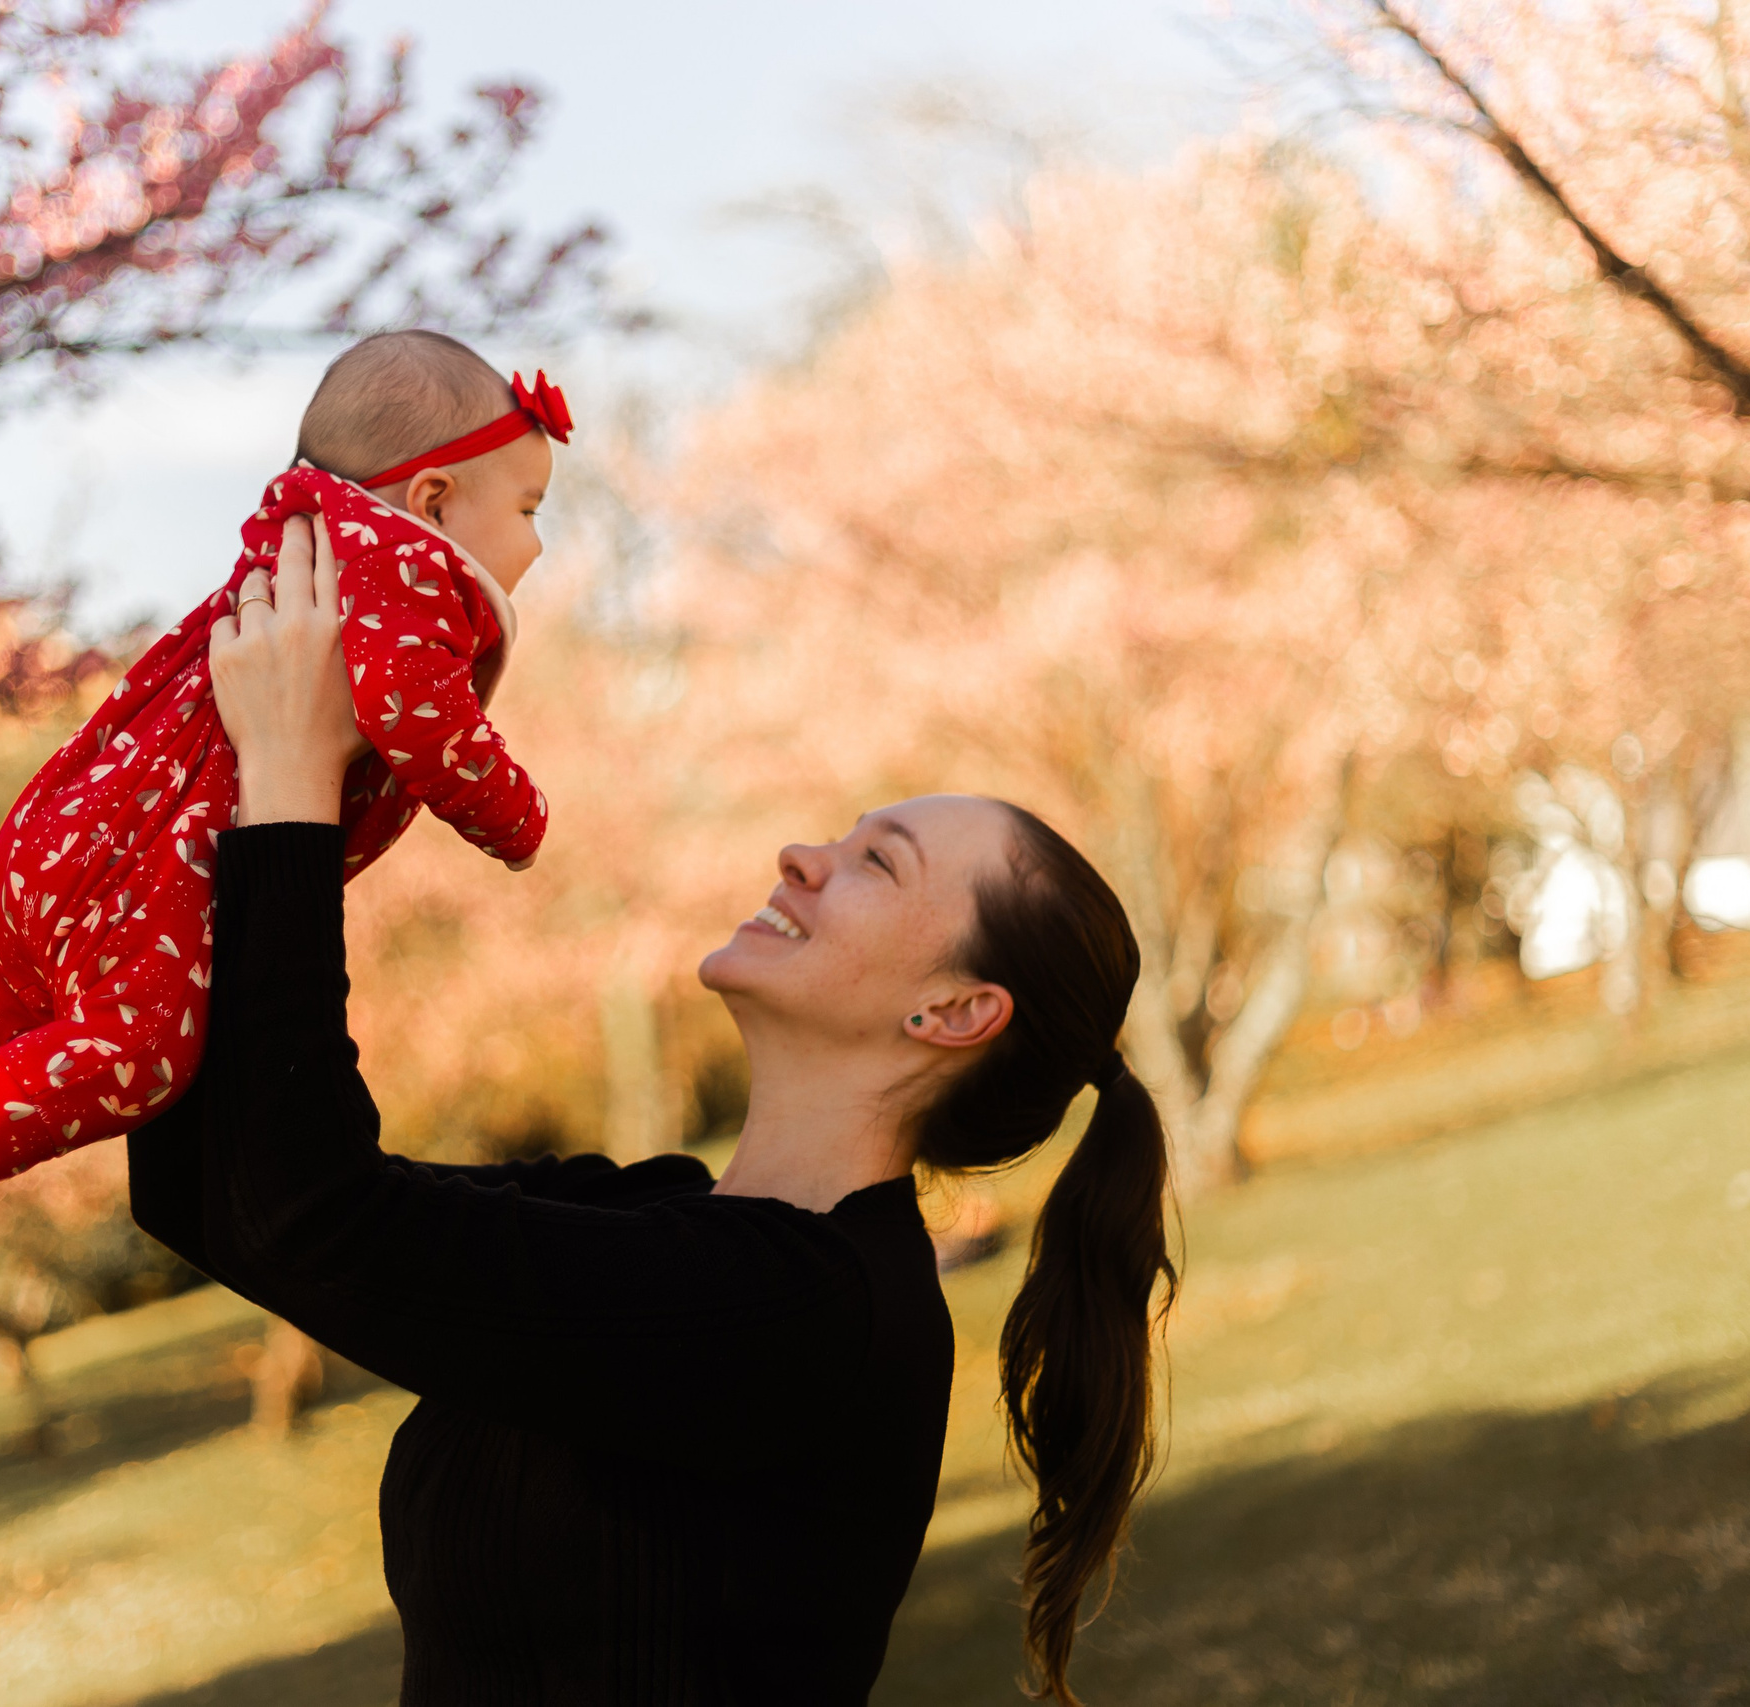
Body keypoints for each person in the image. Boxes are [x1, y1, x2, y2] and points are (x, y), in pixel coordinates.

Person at [128, 514, 1178, 1704]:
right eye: (844, 835)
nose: (801, 856)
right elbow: (213, 1196)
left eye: (878, 863)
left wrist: (292, 791)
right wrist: (199, 805)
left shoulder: (802, 1313)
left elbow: (304, 1210)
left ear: (952, 1012)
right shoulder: (653, 1219)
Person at [0, 331, 567, 1290]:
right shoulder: (405, 574)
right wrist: (516, 815)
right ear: (434, 499)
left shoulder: (297, 546)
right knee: (138, 1048)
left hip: (63, 824)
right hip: (159, 864)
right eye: (526, 507)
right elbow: (420, 717)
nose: (537, 541)